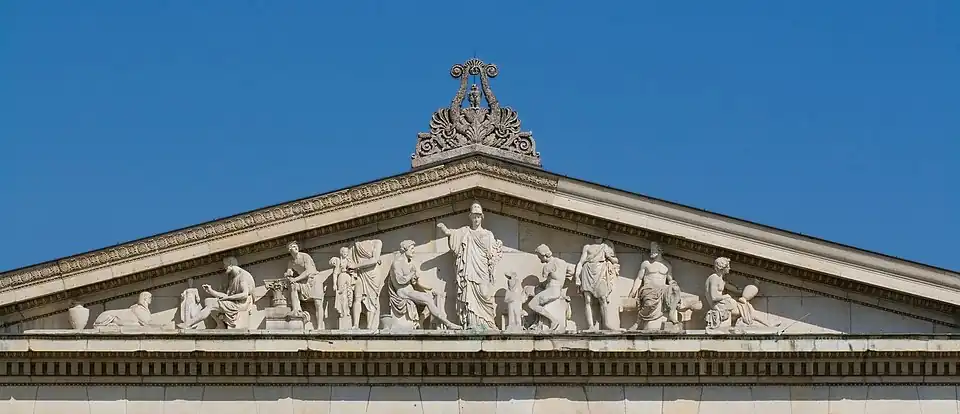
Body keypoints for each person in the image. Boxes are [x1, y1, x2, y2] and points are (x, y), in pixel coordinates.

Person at [436, 202, 502, 330]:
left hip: (482, 269)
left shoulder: (488, 234)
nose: (476, 219)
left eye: (478, 216)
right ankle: (473, 323)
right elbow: (452, 234)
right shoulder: (465, 231)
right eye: (474, 216)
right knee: (469, 294)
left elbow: (493, 254)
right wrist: (444, 229)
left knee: (484, 293)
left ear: (481, 217)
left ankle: (488, 322)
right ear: (470, 217)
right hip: (469, 268)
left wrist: (496, 251)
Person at [386, 240, 461, 330]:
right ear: (405, 249)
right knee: (427, 299)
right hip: (403, 291)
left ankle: (421, 320)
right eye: (412, 248)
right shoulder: (397, 263)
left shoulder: (410, 264)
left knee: (430, 296)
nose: (414, 251)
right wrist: (412, 274)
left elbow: (415, 283)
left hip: (410, 290)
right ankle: (447, 323)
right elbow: (400, 280)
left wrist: (426, 287)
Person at [178, 256, 255, 329]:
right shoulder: (233, 278)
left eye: (225, 265)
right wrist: (211, 291)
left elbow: (244, 295)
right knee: (208, 301)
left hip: (240, 304)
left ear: (231, 264)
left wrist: (227, 298)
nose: (224, 267)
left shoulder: (243, 276)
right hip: (234, 302)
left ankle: (188, 324)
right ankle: (220, 325)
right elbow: (225, 296)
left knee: (211, 304)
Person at [284, 241, 324, 328]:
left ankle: (320, 326)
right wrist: (288, 275)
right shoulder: (291, 262)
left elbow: (308, 271)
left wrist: (295, 279)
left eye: (296, 246)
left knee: (318, 303)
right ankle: (297, 310)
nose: (296, 248)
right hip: (304, 282)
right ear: (289, 250)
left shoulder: (305, 256)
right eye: (293, 247)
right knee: (293, 286)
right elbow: (289, 272)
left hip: (314, 280)